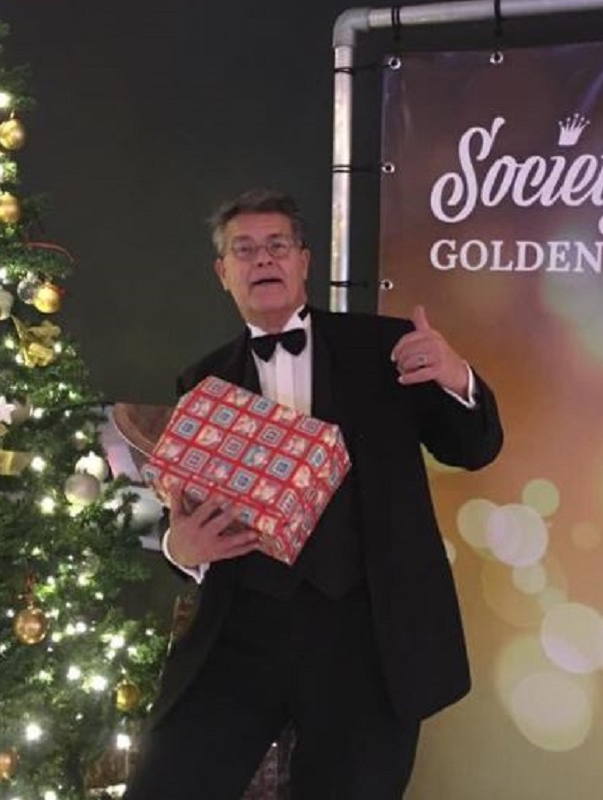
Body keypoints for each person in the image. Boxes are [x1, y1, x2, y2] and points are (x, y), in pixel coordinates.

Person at [125, 189, 503, 799]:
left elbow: (473, 447)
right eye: (244, 249)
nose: (262, 258)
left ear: (304, 261)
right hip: (241, 632)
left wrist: (456, 375)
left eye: (277, 245)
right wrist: (177, 549)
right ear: (223, 273)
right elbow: (183, 506)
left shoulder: (386, 347)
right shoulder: (201, 379)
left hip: (367, 635)